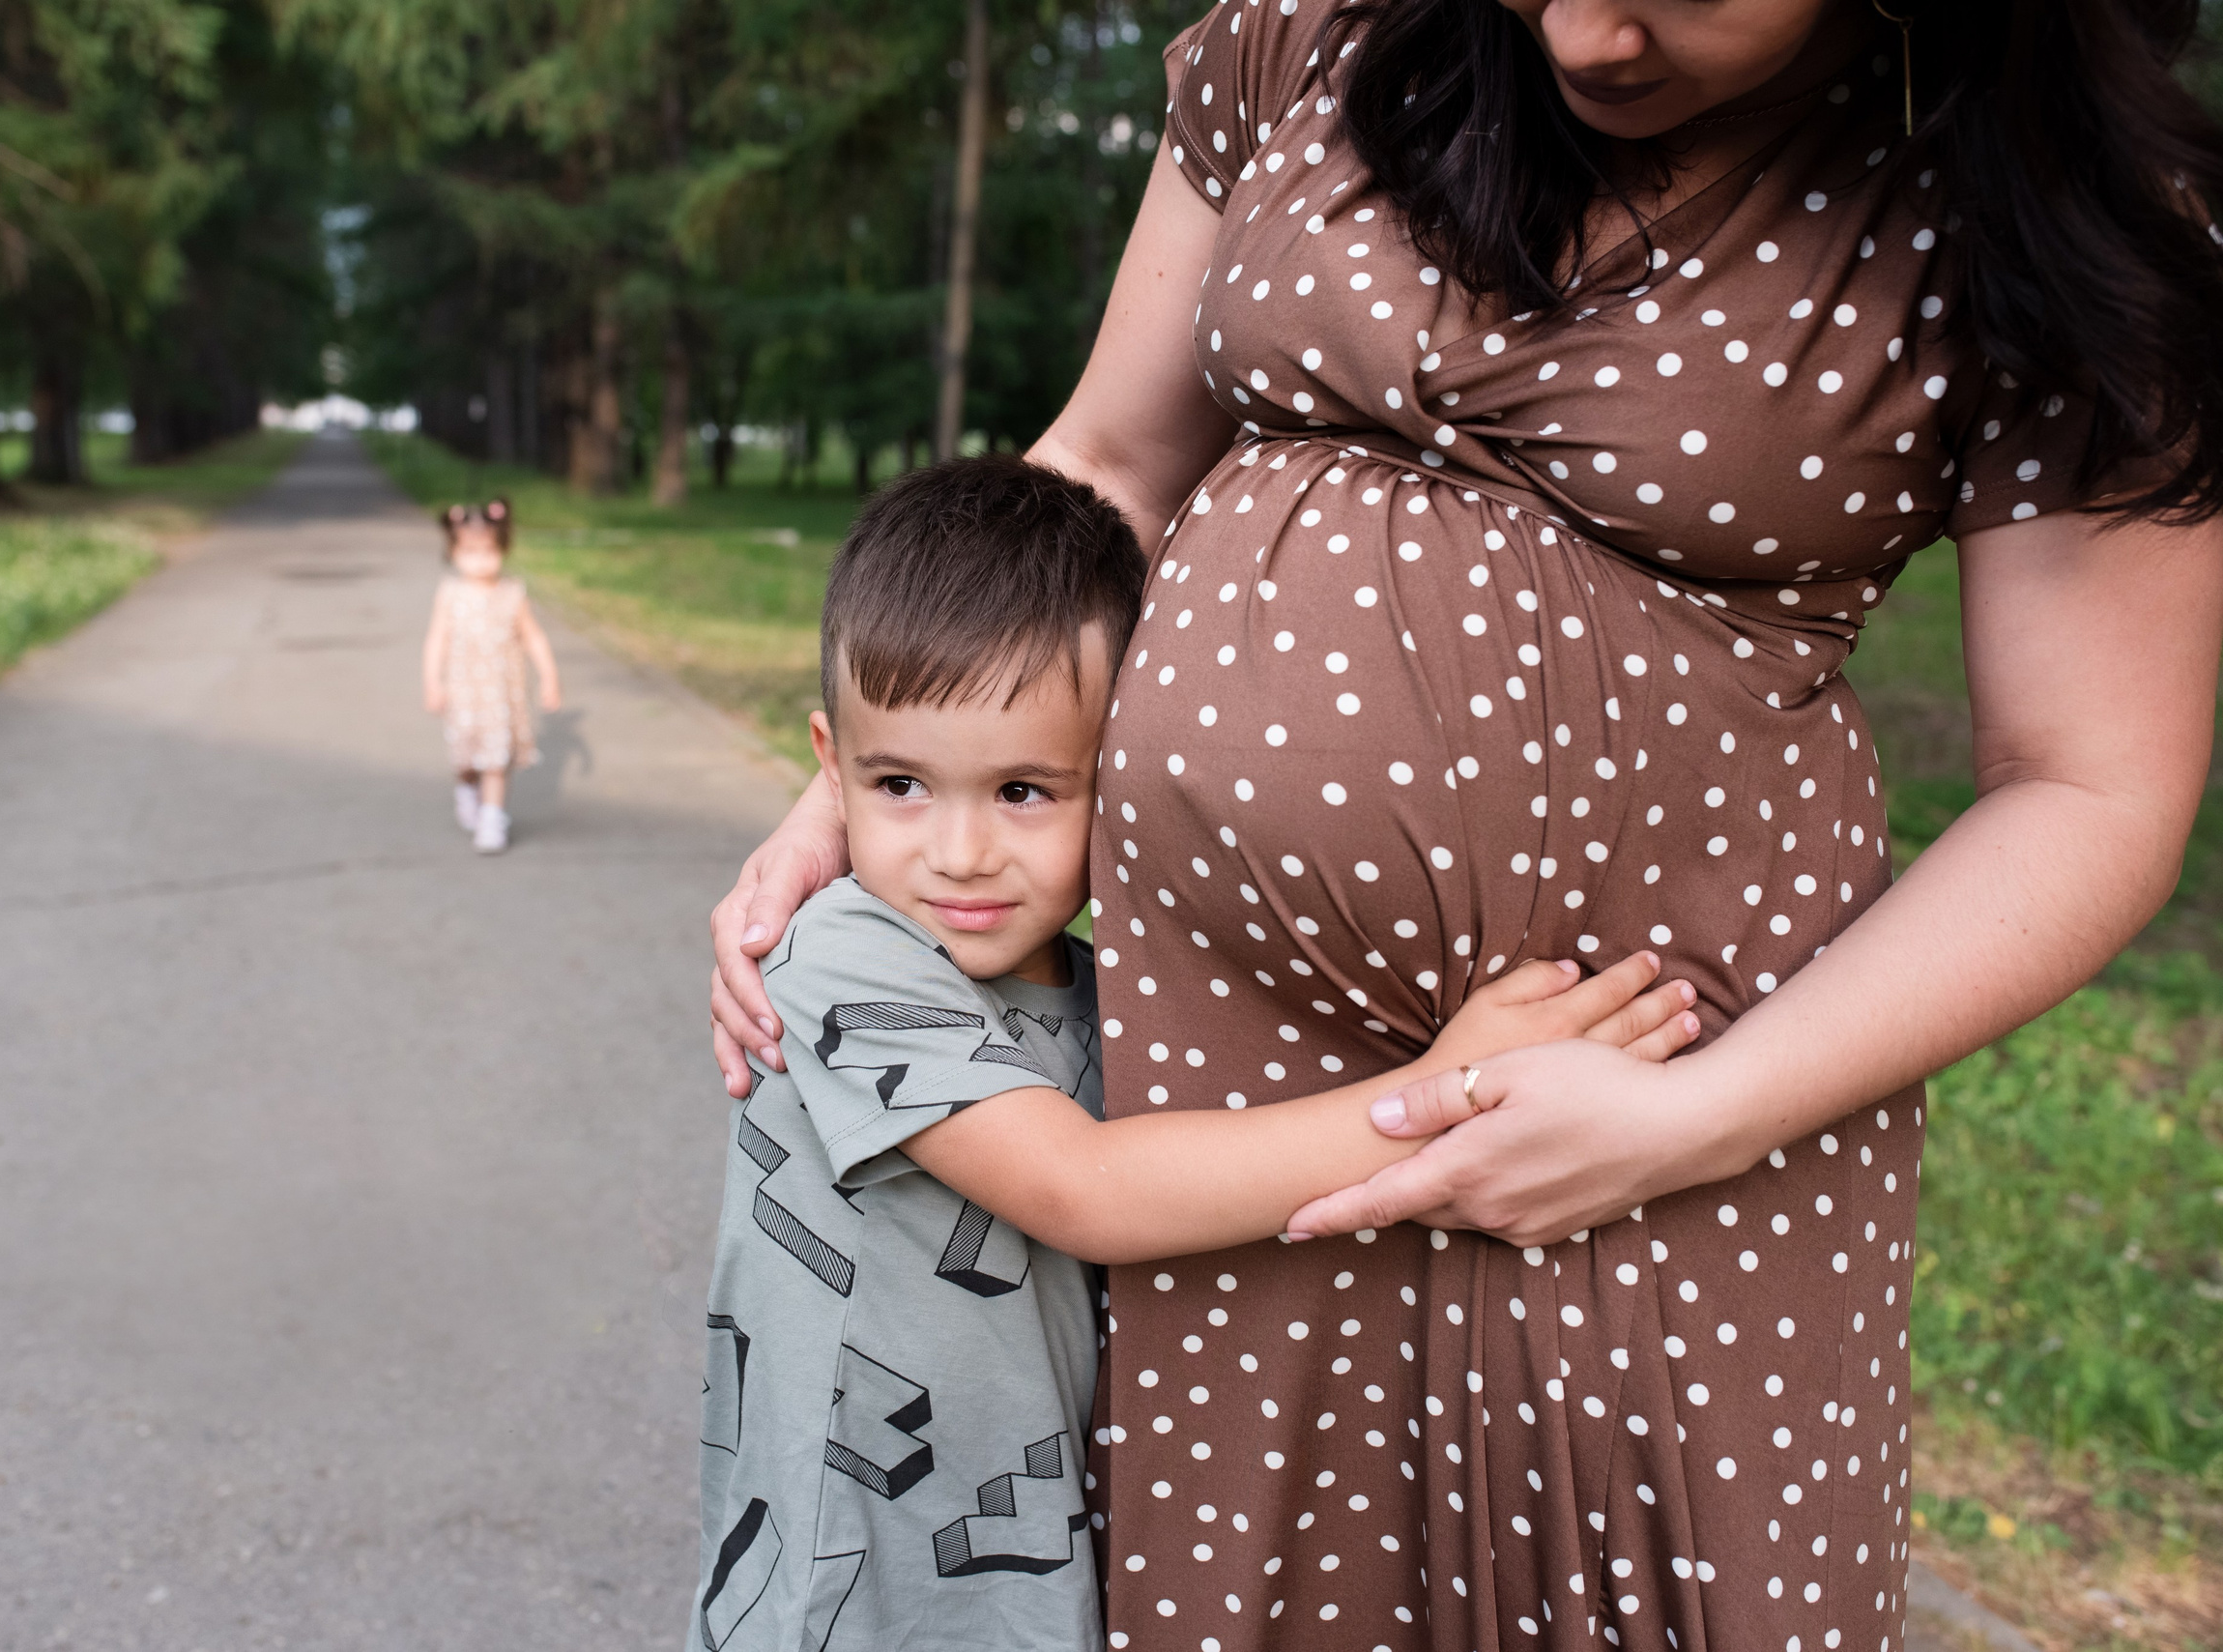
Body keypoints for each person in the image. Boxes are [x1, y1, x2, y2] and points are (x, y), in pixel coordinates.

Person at [709, 0, 2223, 1646]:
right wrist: (858, 790)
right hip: (1237, 1089)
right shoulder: (1314, 33)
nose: (1588, 27)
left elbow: (2094, 782)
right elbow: (1110, 463)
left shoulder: (2039, 184)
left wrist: (1699, 1112)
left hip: (1661, 1111)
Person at [694, 455, 1697, 1652]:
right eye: (900, 783)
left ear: (1118, 781)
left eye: (1023, 790)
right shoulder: (843, 958)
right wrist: (1450, 1088)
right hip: (852, 1571)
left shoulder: (1100, 989)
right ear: (830, 760)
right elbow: (1087, 1189)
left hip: (1021, 1540)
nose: (957, 852)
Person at [420, 498, 560, 854]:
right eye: (469, 551)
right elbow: (436, 639)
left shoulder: (513, 593)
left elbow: (533, 637)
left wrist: (549, 678)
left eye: (488, 551)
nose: (480, 560)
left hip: (501, 695)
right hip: (464, 693)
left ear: (503, 549)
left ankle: (492, 817)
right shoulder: (451, 593)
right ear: (453, 551)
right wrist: (433, 682)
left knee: (496, 761)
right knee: (467, 760)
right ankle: (467, 789)